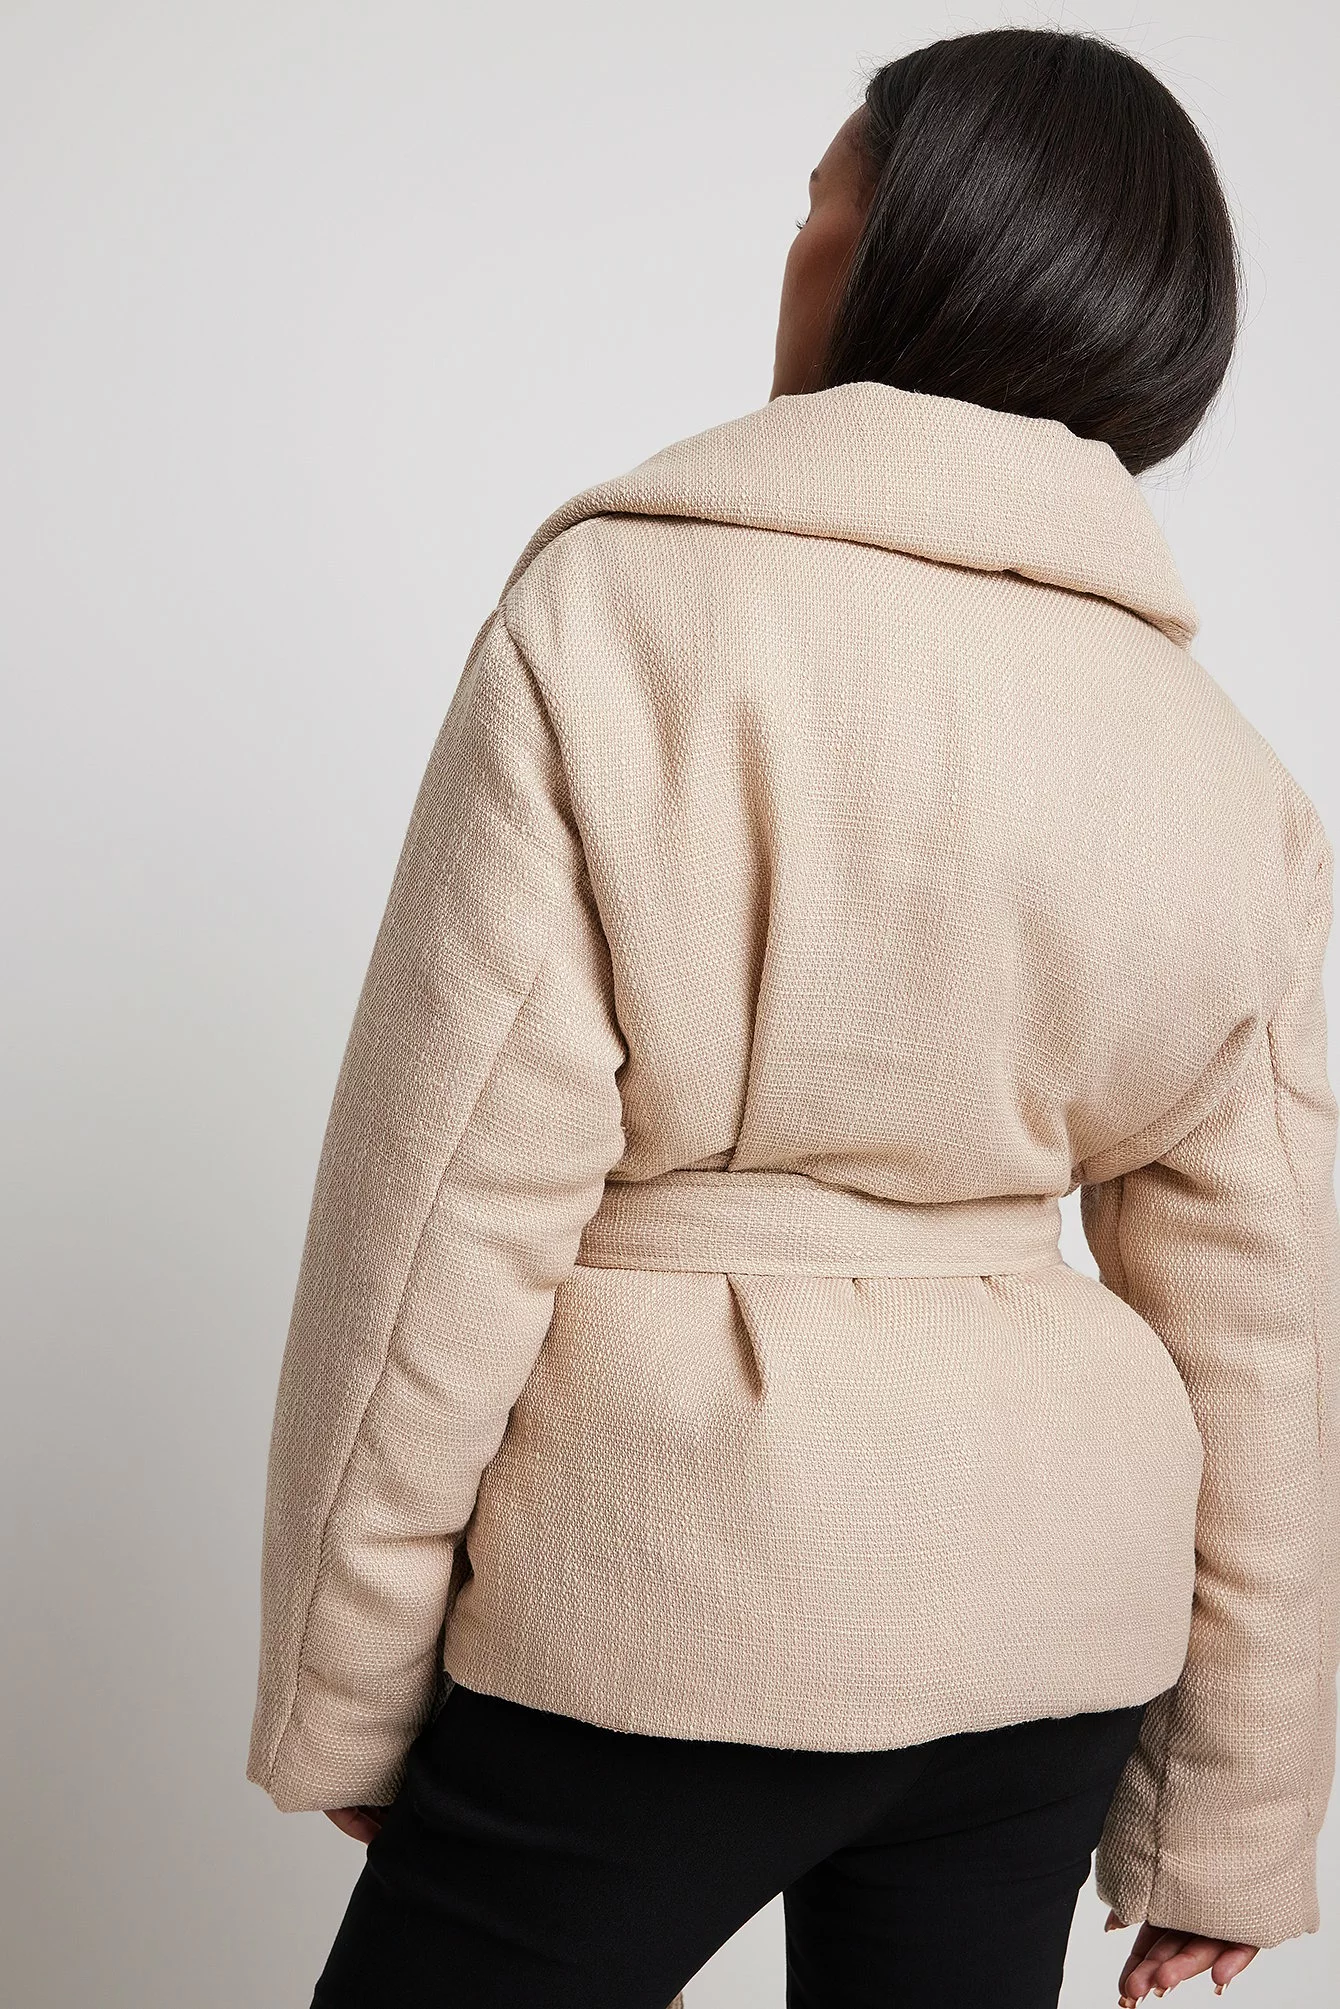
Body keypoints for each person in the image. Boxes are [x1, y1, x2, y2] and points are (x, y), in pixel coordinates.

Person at [246, 26, 1338, 2009]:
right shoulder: (1223, 770)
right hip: (1049, 1631)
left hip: (667, 1604)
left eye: (821, 196)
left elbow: (439, 1214)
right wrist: (1237, 1807)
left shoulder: (621, 625)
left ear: (902, 245)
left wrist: (354, 1680)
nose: (799, 240)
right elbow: (1263, 1325)